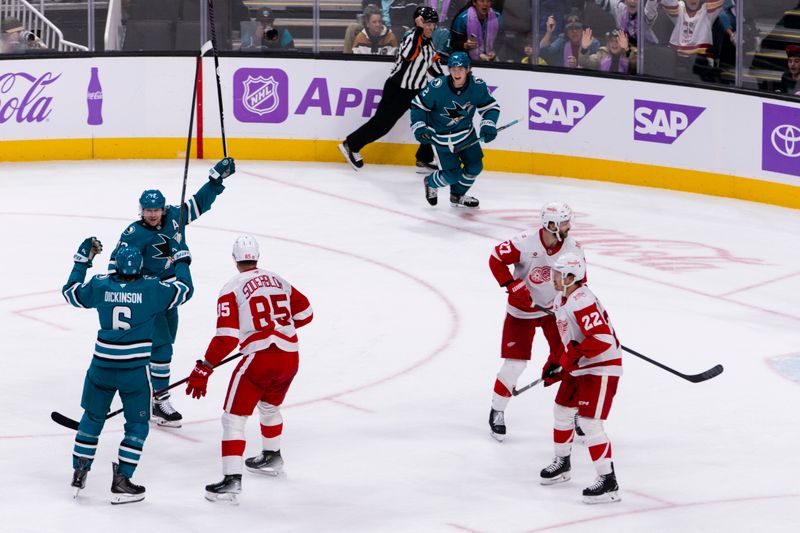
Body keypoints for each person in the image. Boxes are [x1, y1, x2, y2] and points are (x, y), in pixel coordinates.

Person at [62, 235, 193, 503]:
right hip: (134, 372)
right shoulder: (152, 289)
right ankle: (122, 480)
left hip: (101, 367)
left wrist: (82, 261)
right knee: (136, 425)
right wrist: (181, 258)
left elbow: (71, 293)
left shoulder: (101, 285)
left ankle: (79, 472)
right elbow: (185, 290)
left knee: (92, 418)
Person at [185, 235, 314, 503]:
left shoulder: (232, 287)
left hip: (260, 360)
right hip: (290, 357)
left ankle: (231, 481)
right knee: (269, 408)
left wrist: (205, 367)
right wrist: (277, 329)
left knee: (234, 419)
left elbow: (227, 337)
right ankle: (271, 457)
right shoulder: (279, 280)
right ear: (257, 256)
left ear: (235, 258)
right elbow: (305, 314)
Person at [108, 157, 235, 427]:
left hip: (170, 294)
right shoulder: (132, 233)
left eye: (156, 209)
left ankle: (148, 389)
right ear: (140, 210)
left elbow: (199, 203)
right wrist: (128, 291)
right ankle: (159, 400)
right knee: (162, 347)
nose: (152, 214)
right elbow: (114, 265)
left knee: (165, 345)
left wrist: (216, 179)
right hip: (147, 295)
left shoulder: (175, 218)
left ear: (163, 208)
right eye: (147, 210)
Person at [487, 202, 584, 441]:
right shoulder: (524, 243)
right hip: (521, 312)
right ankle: (497, 409)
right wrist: (511, 284)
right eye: (563, 222)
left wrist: (577, 314)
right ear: (550, 225)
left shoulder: (573, 249)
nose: (568, 226)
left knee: (571, 362)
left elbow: (580, 283)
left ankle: (577, 414)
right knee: (514, 365)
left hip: (554, 313)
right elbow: (496, 258)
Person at [538, 252, 623, 505]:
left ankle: (609, 483)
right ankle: (562, 464)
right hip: (580, 366)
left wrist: (570, 358)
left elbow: (603, 340)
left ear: (571, 276)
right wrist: (555, 361)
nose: (553, 278)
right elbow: (568, 338)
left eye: (558, 274)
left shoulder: (582, 300)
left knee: (589, 423)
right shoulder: (560, 299)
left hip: (601, 368)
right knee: (562, 411)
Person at [339, 6, 442, 173]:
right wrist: (418, 29)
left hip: (418, 90)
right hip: (398, 89)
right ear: (419, 22)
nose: (431, 27)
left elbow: (432, 65)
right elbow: (409, 55)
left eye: (433, 24)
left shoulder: (429, 42)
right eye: (427, 24)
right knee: (381, 125)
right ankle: (350, 144)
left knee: (433, 119)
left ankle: (424, 157)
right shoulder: (411, 37)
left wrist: (446, 81)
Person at [411, 51, 499, 208]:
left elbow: (490, 107)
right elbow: (418, 106)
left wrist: (488, 123)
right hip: (442, 139)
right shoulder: (437, 86)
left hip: (467, 135)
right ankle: (431, 182)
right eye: (453, 68)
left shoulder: (477, 86)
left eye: (460, 69)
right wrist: (419, 126)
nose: (456, 72)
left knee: (475, 166)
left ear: (467, 70)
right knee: (453, 174)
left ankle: (457, 196)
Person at [659, 0, 725, 82]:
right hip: (674, 68)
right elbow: (668, 2)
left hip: (699, 70)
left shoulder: (708, 13)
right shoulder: (680, 10)